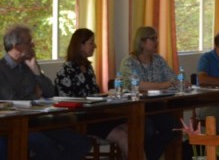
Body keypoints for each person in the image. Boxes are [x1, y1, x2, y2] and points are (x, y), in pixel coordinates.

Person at [0, 24, 92, 160]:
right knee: (48, 149)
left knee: (81, 143)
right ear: (17, 46)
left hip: (37, 121)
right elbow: (12, 101)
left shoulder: (28, 66)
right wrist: (35, 95)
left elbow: (50, 92)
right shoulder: (1, 70)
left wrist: (36, 71)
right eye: (29, 42)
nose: (33, 45)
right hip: (15, 126)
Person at [54, 28, 130, 159]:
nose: (95, 46)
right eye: (91, 43)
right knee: (121, 135)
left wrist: (107, 95)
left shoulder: (88, 68)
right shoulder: (66, 71)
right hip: (80, 120)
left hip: (96, 114)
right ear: (80, 45)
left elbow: (94, 93)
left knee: (133, 127)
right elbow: (65, 101)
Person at [119, 26, 186, 160]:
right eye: (153, 39)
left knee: (174, 127)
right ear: (142, 42)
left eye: (157, 39)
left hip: (156, 106)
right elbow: (138, 85)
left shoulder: (158, 60)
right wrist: (164, 85)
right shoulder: (129, 62)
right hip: (135, 109)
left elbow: (172, 78)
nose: (157, 42)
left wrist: (182, 82)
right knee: (147, 129)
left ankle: (148, 156)